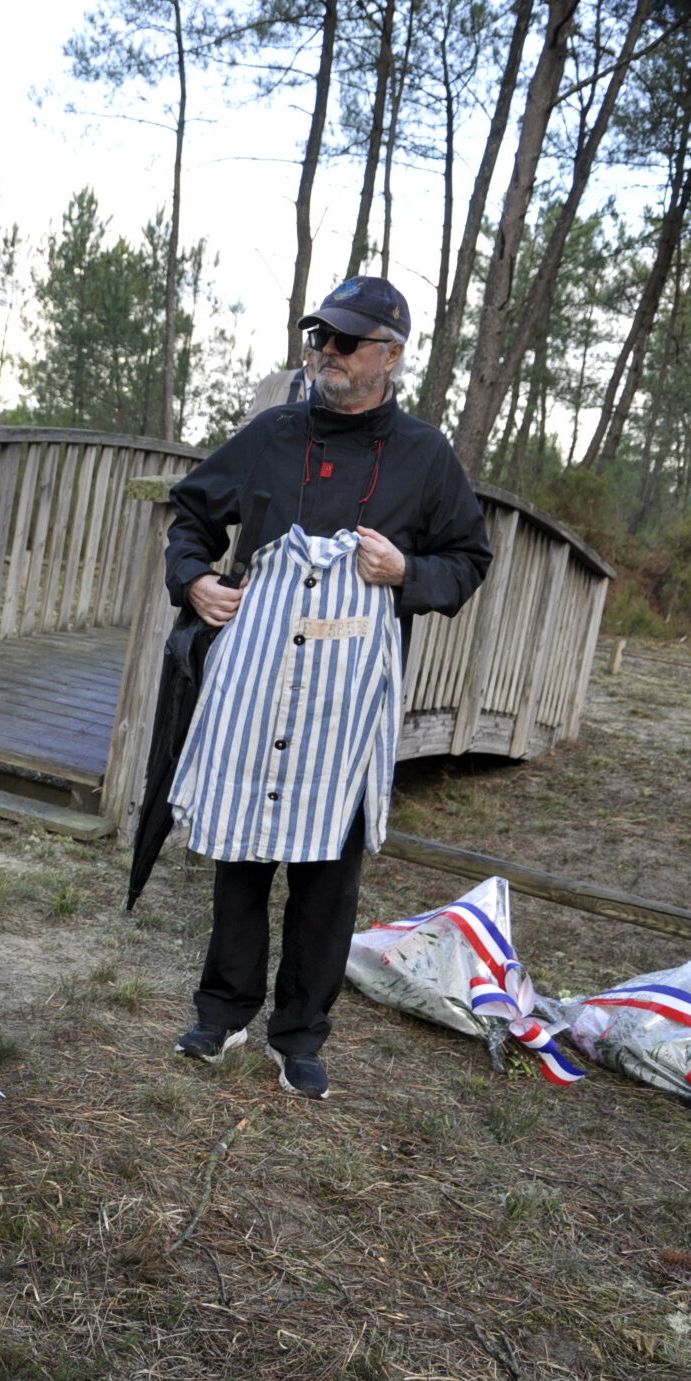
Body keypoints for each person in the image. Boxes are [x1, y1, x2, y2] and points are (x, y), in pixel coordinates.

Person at [167, 276, 492, 1099]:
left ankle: (300, 1034)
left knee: (328, 869)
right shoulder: (274, 433)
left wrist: (407, 570)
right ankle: (222, 1011)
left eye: (345, 342)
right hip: (258, 679)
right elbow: (193, 514)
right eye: (320, 338)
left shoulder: (424, 456)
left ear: (389, 355)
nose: (325, 354)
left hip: (346, 699)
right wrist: (195, 581)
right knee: (242, 849)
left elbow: (469, 560)